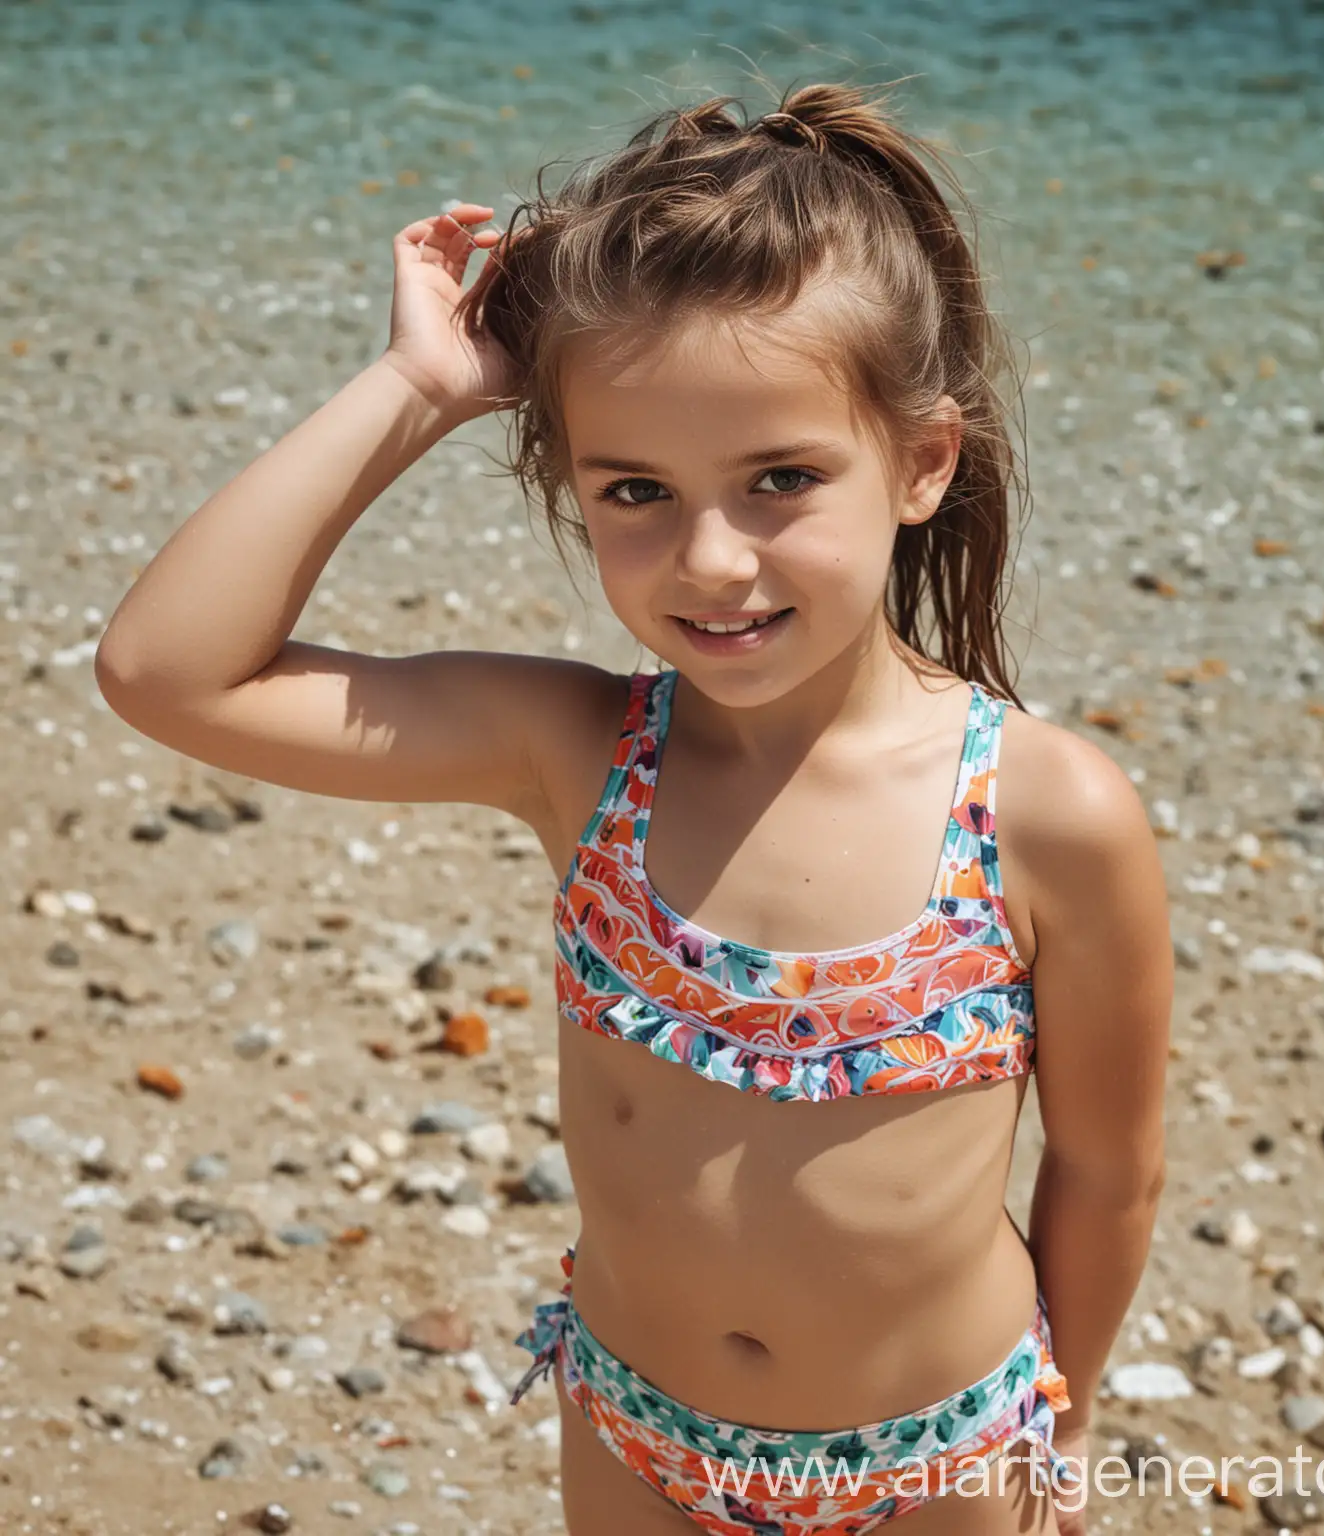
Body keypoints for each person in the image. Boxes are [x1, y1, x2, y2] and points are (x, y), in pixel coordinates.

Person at [96, 80, 1172, 1536]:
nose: (711, 561)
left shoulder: (1046, 812)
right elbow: (169, 674)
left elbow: (1106, 1173)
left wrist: (1069, 1420)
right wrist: (419, 389)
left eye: (780, 479)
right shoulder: (585, 753)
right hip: (633, 1433)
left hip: (941, 1461)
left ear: (923, 462)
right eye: (637, 491)